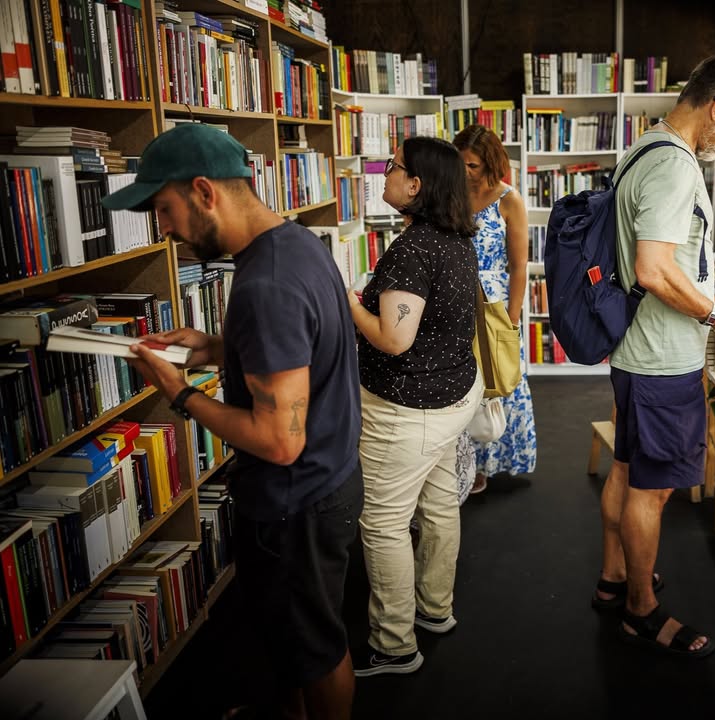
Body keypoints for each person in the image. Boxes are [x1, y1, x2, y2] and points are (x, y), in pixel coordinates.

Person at [101, 123, 362, 720]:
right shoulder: (294, 243)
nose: (164, 229)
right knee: (302, 641)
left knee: (318, 652)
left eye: (164, 209)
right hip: (329, 481)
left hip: (298, 502)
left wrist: (180, 393)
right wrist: (215, 348)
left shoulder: (264, 284)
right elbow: (303, 346)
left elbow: (277, 441)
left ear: (203, 191)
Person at [596, 54, 715, 659]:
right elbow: (653, 267)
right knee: (653, 489)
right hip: (662, 356)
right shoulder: (674, 166)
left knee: (626, 468)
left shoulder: (644, 148)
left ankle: (616, 578)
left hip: (633, 350)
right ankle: (641, 611)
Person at [348, 136, 483, 677]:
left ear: (415, 185)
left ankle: (394, 645)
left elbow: (394, 338)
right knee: (437, 504)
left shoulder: (411, 250)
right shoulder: (454, 238)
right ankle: (435, 609)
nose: (384, 174)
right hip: (449, 398)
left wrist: (347, 303)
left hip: (408, 409)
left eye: (393, 167)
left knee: (383, 524)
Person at [452, 124, 537, 495]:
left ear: (490, 162)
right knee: (460, 385)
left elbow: (519, 264)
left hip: (495, 303)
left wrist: (513, 318)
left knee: (497, 382)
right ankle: (463, 465)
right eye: (460, 165)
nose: (465, 172)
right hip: (455, 298)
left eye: (471, 166)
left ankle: (492, 462)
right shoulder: (450, 195)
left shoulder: (508, 199)